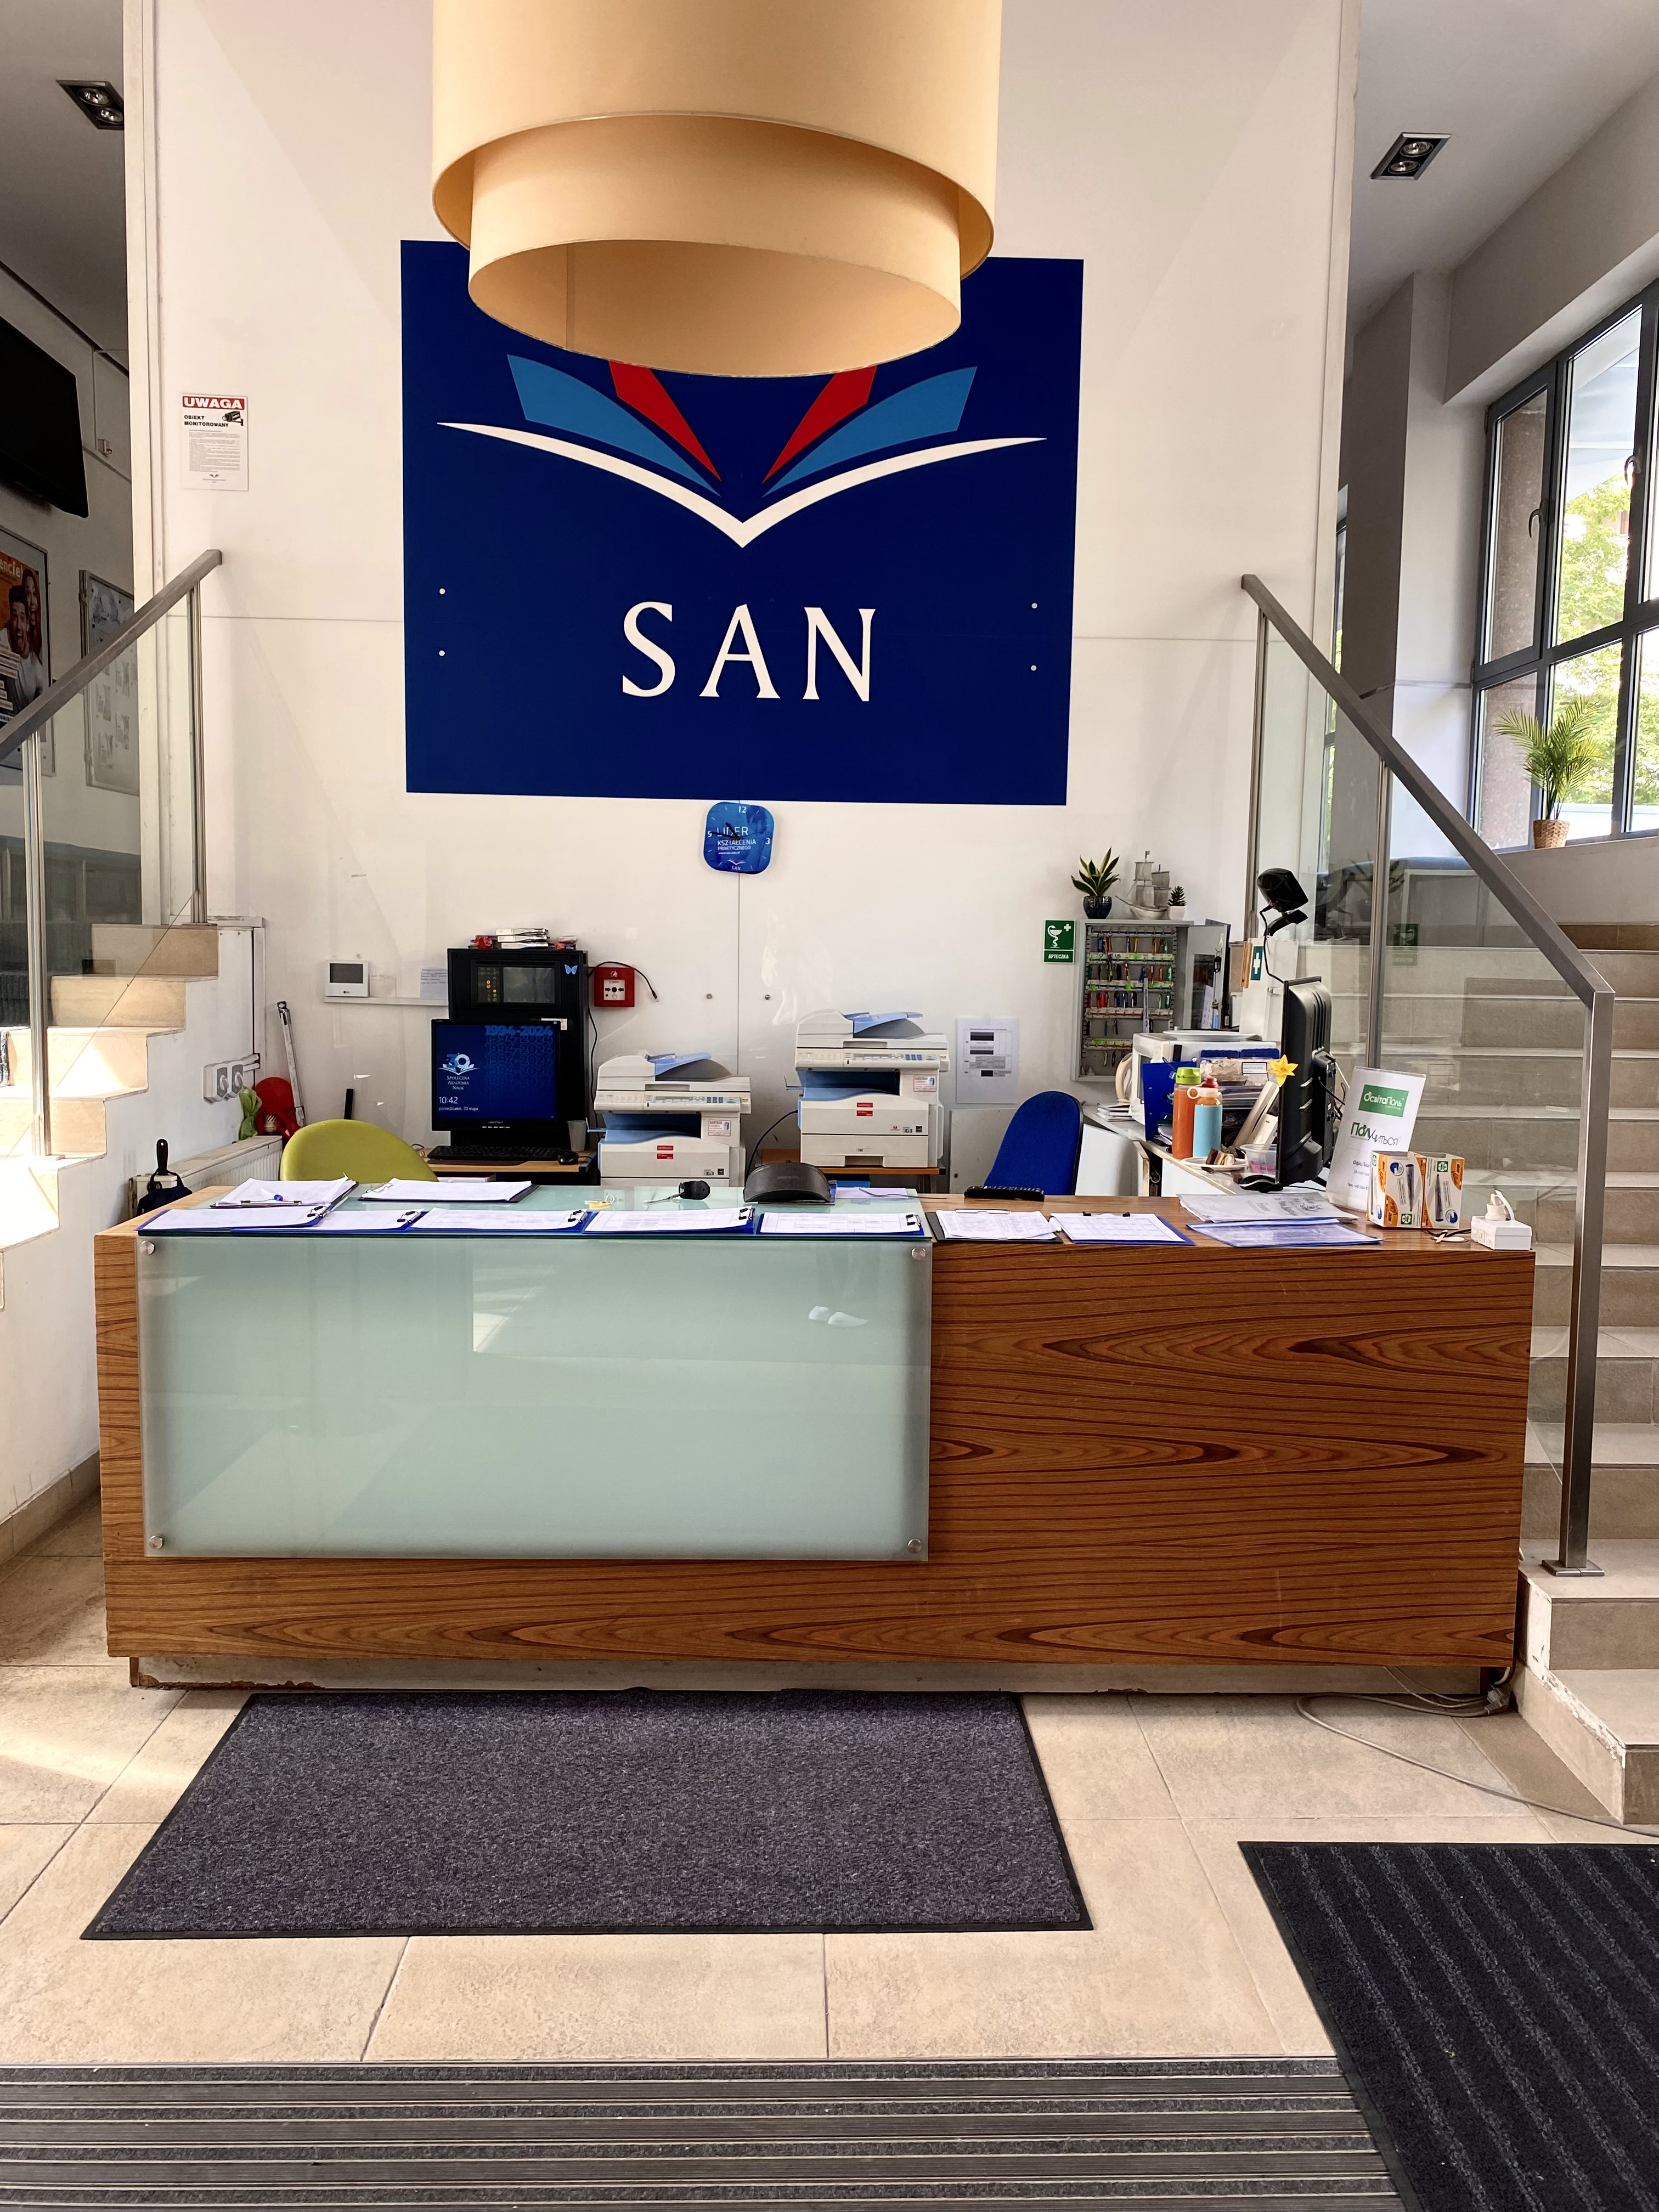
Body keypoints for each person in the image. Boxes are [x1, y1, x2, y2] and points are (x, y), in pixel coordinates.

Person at [7, 587, 44, 708]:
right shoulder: (5, 639)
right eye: (15, 617)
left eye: (22, 619)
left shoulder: (37, 668)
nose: (18, 626)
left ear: (28, 624)